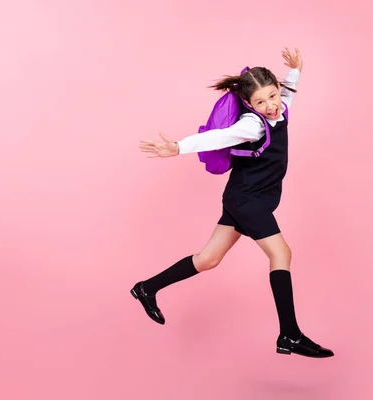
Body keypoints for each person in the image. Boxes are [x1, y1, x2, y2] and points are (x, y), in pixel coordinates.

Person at [134, 48, 333, 358]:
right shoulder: (252, 126)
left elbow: (289, 92)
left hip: (248, 198)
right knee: (281, 253)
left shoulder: (281, 107)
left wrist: (295, 71)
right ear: (248, 105)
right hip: (247, 200)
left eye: (272, 96)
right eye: (259, 102)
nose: (268, 106)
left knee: (208, 259)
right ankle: (289, 334)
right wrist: (177, 147)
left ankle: (146, 288)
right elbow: (216, 138)